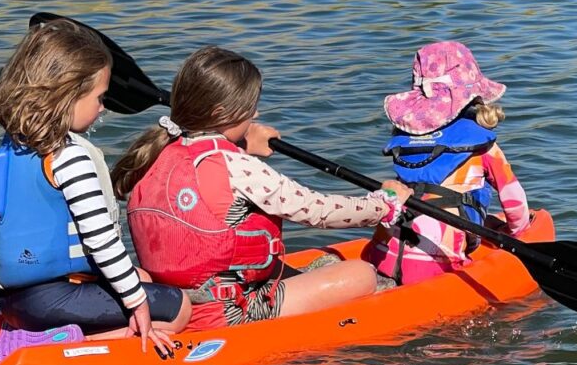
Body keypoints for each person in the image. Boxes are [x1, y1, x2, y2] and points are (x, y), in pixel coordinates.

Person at [111, 46, 413, 331]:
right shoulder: (237, 168)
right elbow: (318, 211)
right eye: (250, 108)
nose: (255, 115)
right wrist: (384, 204)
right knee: (361, 274)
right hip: (233, 309)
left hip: (178, 302)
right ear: (220, 113)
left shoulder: (155, 155)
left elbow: (207, 181)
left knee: (326, 263)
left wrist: (241, 142)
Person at [0, 19, 190, 362]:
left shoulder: (18, 145)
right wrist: (137, 302)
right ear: (67, 95)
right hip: (52, 302)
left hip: (16, 302)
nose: (104, 107)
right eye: (99, 97)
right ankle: (65, 344)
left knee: (140, 276)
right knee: (177, 308)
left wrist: (134, 284)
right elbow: (101, 241)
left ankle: (46, 333)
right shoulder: (70, 157)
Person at [361, 41, 530, 285]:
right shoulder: (483, 147)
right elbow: (514, 203)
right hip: (438, 264)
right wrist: (518, 234)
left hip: (380, 255)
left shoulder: (406, 140)